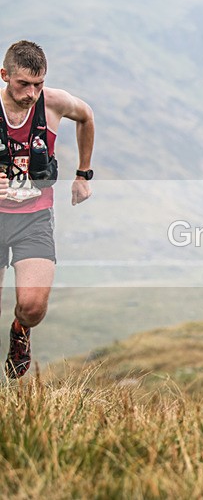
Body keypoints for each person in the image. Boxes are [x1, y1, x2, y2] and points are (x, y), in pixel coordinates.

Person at [0, 40, 94, 378]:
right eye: (23, 84)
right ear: (5, 75)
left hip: (34, 219)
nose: (31, 93)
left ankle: (20, 331)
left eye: (38, 84)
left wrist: (83, 174)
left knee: (33, 306)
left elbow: (86, 116)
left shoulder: (52, 102)